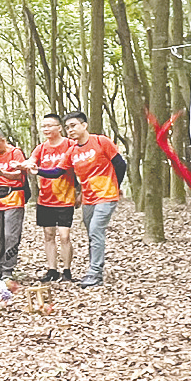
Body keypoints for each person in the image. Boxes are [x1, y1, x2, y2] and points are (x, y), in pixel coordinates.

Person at [64, 111, 126, 289]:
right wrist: (36, 169)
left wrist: (115, 185)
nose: (70, 130)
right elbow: (59, 171)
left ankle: (95, 273)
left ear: (84, 125)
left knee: (96, 230)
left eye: (74, 125)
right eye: (67, 128)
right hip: (88, 198)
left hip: (106, 196)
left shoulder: (101, 141)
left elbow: (120, 164)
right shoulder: (72, 151)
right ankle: (94, 268)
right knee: (92, 233)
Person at [29, 113, 77, 282]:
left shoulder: (70, 145)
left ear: (59, 127)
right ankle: (52, 270)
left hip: (65, 198)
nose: (46, 129)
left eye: (50, 126)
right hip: (45, 198)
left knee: (64, 235)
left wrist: (80, 192)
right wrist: (24, 165)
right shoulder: (41, 148)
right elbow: (31, 162)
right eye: (44, 126)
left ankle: (67, 270)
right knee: (48, 235)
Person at [0, 128, 28, 278]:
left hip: (14, 196)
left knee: (11, 234)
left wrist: (3, 173)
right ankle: (0, 267)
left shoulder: (16, 153)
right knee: (1, 234)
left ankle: (8, 269)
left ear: (2, 140)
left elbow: (19, 175)